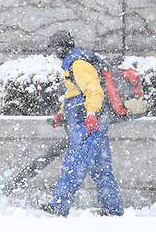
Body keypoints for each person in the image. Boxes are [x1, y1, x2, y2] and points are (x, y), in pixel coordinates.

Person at [41, 31, 124, 217]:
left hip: (87, 123)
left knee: (74, 163)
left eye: (55, 49)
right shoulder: (72, 65)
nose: (54, 54)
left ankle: (59, 205)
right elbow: (74, 94)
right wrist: (61, 114)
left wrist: (92, 114)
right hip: (92, 122)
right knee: (102, 168)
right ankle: (113, 208)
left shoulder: (78, 64)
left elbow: (94, 91)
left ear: (61, 48)